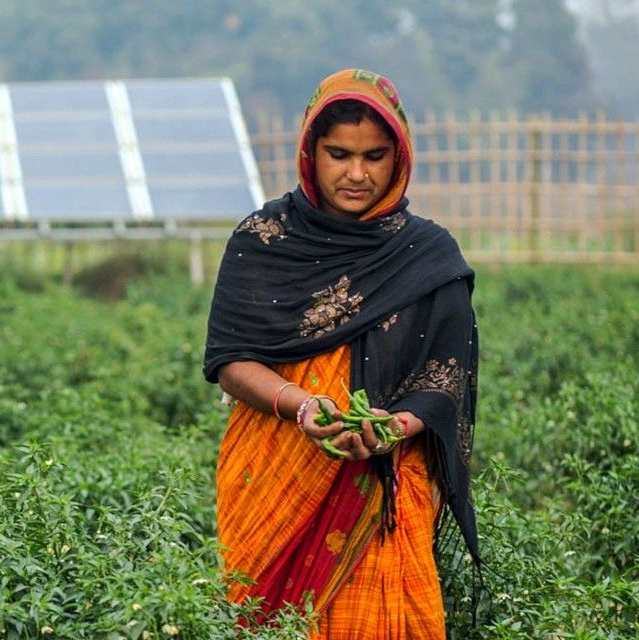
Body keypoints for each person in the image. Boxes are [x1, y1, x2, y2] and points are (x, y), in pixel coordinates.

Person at [203, 68, 479, 639]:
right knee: (265, 621)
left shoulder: (427, 254)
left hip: (384, 480)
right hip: (277, 465)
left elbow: (445, 378)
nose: (357, 174)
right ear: (310, 151)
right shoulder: (263, 240)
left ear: (398, 158)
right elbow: (231, 359)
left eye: (375, 156)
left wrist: (394, 426)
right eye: (339, 154)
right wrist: (304, 408)